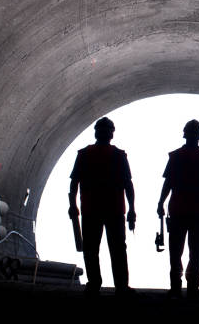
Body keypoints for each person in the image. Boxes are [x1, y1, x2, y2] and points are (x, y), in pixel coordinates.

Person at [68, 117, 136, 297]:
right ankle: (120, 286)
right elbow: (128, 184)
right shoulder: (119, 156)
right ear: (111, 133)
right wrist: (131, 209)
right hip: (112, 210)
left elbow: (74, 183)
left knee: (92, 249)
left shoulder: (84, 154)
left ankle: (94, 284)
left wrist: (73, 205)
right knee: (117, 249)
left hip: (92, 210)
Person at [157, 120, 199, 299]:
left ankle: (176, 287)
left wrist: (161, 202)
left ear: (185, 134)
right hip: (197, 211)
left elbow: (168, 183)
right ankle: (192, 287)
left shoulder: (176, 156)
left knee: (177, 250)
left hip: (179, 210)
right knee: (196, 251)